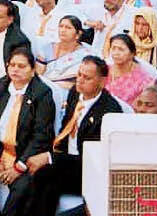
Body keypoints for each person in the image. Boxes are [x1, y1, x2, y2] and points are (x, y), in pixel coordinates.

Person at [24, 56, 124, 216]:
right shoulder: (74, 94)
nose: (80, 80)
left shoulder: (108, 111)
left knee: (45, 178)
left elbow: (93, 157)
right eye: (79, 75)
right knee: (40, 178)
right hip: (66, 160)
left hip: (88, 169)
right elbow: (65, 130)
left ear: (102, 81)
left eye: (87, 78)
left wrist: (50, 158)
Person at [0, 46, 55, 216]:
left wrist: (19, 167)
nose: (15, 69)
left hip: (25, 154)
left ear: (32, 71)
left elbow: (41, 136)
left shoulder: (42, 93)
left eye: (22, 66)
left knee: (23, 188)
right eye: (12, 65)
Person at [105, 34, 155, 106]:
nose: (116, 53)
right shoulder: (103, 71)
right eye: (113, 48)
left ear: (132, 54)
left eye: (121, 49)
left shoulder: (143, 79)